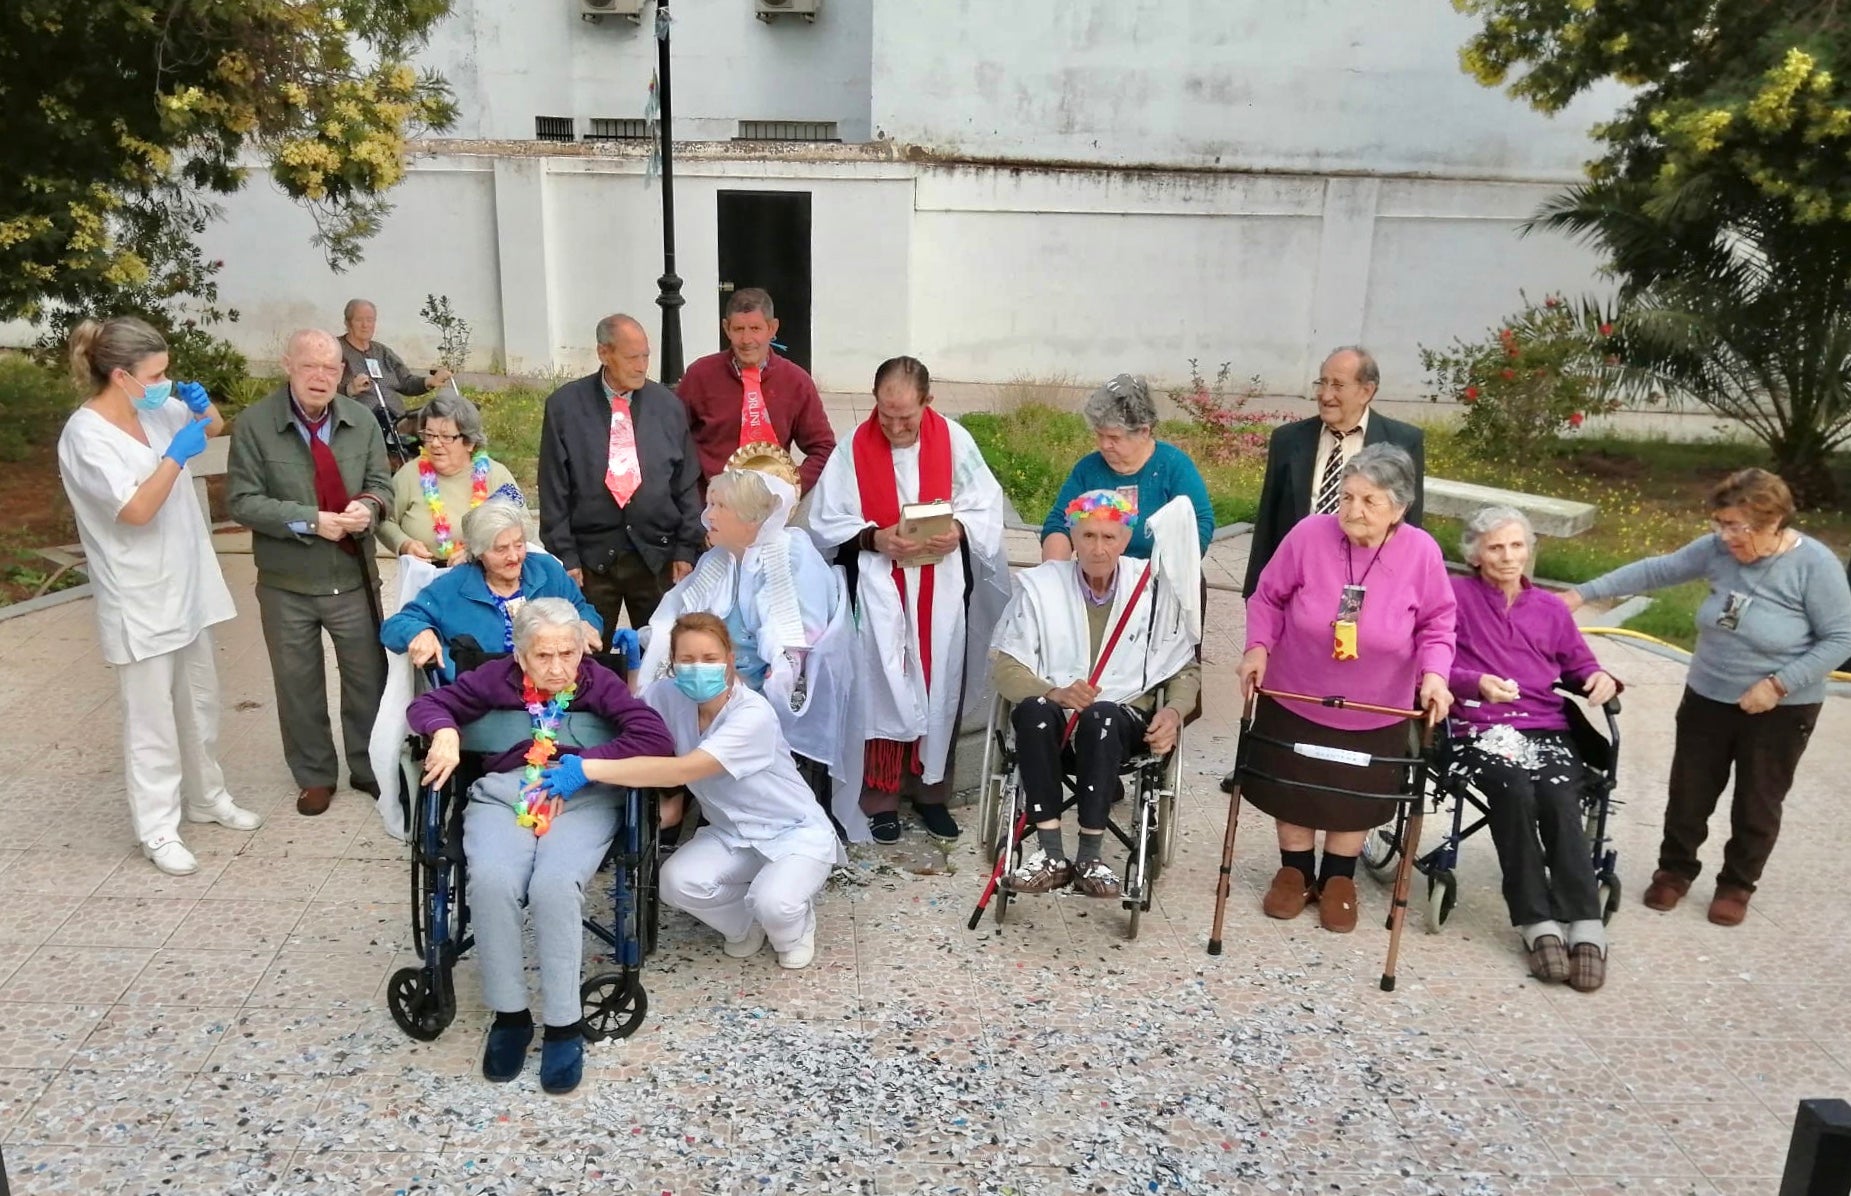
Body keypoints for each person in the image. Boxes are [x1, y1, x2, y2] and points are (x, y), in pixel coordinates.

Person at [408, 598, 674, 1094]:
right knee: (490, 881)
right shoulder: (495, 679)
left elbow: (653, 737)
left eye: (567, 654)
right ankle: (510, 1016)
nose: (558, 668)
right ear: (520, 658)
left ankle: (562, 1024)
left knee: (554, 884)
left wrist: (586, 765)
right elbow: (428, 704)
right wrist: (443, 730)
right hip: (506, 792)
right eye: (543, 656)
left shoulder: (599, 682)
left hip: (582, 795)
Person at [1565, 469, 1851, 926]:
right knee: (1689, 791)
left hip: (1781, 705)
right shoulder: (1719, 549)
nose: (1727, 537)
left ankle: (1737, 884)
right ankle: (1674, 872)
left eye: (1739, 527)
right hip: (1708, 691)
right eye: (1721, 524)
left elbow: (1841, 638)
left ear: (1773, 520)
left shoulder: (1814, 565)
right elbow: (1658, 569)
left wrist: (1778, 684)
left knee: (1758, 798)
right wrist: (1583, 594)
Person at [56, 317, 266, 876]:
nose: (165, 382)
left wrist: (202, 406)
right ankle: (157, 827)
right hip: (139, 597)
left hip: (187, 585)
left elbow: (212, 425)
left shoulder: (154, 408)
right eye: (157, 373)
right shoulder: (86, 436)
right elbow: (136, 510)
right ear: (121, 375)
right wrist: (174, 455)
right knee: (150, 719)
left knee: (198, 702)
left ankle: (206, 797)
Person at [534, 613, 843, 970]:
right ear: (673, 665)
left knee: (775, 903)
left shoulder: (751, 715)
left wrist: (588, 768)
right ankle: (745, 925)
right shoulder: (668, 694)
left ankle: (796, 927)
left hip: (793, 831)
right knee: (676, 883)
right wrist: (630, 668)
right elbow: (633, 718)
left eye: (710, 659)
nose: (699, 669)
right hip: (731, 832)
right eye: (687, 660)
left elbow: (682, 770)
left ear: (729, 659)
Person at [1238, 443, 1455, 933]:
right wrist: (1257, 648)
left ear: (1398, 509)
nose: (1352, 510)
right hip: (1298, 688)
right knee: (1294, 784)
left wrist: (1435, 676)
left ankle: (1338, 876)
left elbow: (1439, 624)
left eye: (1369, 501)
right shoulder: (1309, 535)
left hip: (1377, 701)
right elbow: (1268, 597)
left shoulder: (1421, 552)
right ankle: (1295, 869)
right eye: (1348, 496)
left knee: (1353, 790)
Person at [807, 356, 1013, 845]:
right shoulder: (854, 447)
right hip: (879, 589)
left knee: (939, 683)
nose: (896, 428)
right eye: (885, 415)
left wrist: (959, 529)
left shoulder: (954, 440)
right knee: (883, 685)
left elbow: (984, 501)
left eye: (907, 417)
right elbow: (825, 520)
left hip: (939, 590)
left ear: (928, 402)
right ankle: (879, 799)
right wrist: (875, 539)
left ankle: (930, 793)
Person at [992, 490, 1200, 897]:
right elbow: (1006, 667)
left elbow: (1184, 669)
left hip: (1118, 727)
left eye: (1108, 537)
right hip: (1053, 729)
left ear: (1125, 540)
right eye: (1087, 536)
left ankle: (1090, 855)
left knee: (1101, 715)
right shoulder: (1041, 588)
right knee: (1033, 710)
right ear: (1072, 538)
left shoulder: (1152, 589)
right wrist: (1053, 691)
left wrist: (1173, 714)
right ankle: (1050, 851)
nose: (1098, 548)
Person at [636, 453, 855, 834]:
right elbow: (678, 612)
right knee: (651, 694)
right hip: (711, 671)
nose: (709, 516)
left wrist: (772, 669)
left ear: (752, 517)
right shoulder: (719, 559)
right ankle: (671, 796)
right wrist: (654, 642)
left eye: (720, 507)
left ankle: (691, 799)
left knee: (710, 700)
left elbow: (796, 634)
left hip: (756, 682)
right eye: (711, 505)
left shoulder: (790, 553)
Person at [1449, 507, 1621, 991]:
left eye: (1517, 546)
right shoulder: (1456, 597)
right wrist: (1474, 682)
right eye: (1496, 547)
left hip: (1544, 726)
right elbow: (1432, 658)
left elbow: (1579, 663)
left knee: (1560, 793)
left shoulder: (1548, 608)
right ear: (1475, 554)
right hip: (1477, 726)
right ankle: (1535, 920)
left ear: (1529, 550)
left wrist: (1597, 678)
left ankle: (1585, 919)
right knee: (1515, 791)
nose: (1508, 557)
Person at [227, 329, 393, 817]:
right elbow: (242, 500)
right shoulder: (256, 424)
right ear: (288, 366)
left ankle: (367, 767)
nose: (321, 377)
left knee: (367, 677)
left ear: (343, 373)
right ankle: (315, 775)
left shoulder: (361, 420)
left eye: (331, 368)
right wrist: (308, 519)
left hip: (353, 575)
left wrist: (369, 506)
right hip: (287, 583)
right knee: (297, 683)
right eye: (310, 366)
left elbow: (382, 484)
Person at [538, 314, 704, 643]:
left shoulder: (667, 406)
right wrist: (565, 554)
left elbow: (685, 482)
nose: (642, 366)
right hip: (591, 559)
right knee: (586, 652)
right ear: (604, 353)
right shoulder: (564, 407)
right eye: (632, 357)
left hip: (657, 555)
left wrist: (687, 547)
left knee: (661, 650)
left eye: (646, 356)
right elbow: (553, 486)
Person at [1242, 346, 1426, 597]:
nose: (1325, 395)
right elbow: (1267, 523)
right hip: (1298, 580)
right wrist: (1254, 593)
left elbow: (1409, 524)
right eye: (1322, 382)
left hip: (1368, 585)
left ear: (1366, 391)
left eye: (1338, 385)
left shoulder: (1402, 441)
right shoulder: (1288, 440)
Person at [381, 501, 604, 682]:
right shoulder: (451, 587)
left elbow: (584, 609)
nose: (514, 556)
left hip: (554, 687)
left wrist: (584, 623)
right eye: (501, 549)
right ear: (478, 552)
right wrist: (420, 631)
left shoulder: (547, 571)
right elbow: (394, 627)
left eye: (519, 544)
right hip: (481, 698)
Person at [675, 288, 836, 493]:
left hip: (771, 504)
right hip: (709, 504)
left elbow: (824, 448)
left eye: (755, 328)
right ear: (726, 328)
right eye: (739, 329)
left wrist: (791, 485)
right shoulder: (700, 375)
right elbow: (672, 438)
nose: (746, 340)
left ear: (772, 328)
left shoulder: (797, 382)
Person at [1039, 375, 1214, 560]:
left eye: (1114, 438)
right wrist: (1055, 575)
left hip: (1160, 578)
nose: (1104, 445)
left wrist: (1170, 572)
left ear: (1143, 432)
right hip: (1100, 578)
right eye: (1100, 435)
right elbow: (1059, 523)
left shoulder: (1173, 465)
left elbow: (1199, 523)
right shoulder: (1088, 469)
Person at [376, 392, 522, 564]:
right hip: (426, 577)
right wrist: (403, 544)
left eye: (446, 437)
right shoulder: (408, 475)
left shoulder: (496, 475)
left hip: (485, 575)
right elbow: (384, 520)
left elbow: (523, 523)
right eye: (429, 435)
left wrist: (475, 552)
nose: (436, 444)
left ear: (470, 442)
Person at [337, 298, 453, 424]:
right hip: (362, 422)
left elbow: (406, 381)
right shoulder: (336, 350)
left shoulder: (382, 351)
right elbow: (323, 388)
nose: (365, 325)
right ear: (347, 323)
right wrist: (349, 389)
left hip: (397, 419)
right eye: (359, 320)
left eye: (370, 320)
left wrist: (431, 381)